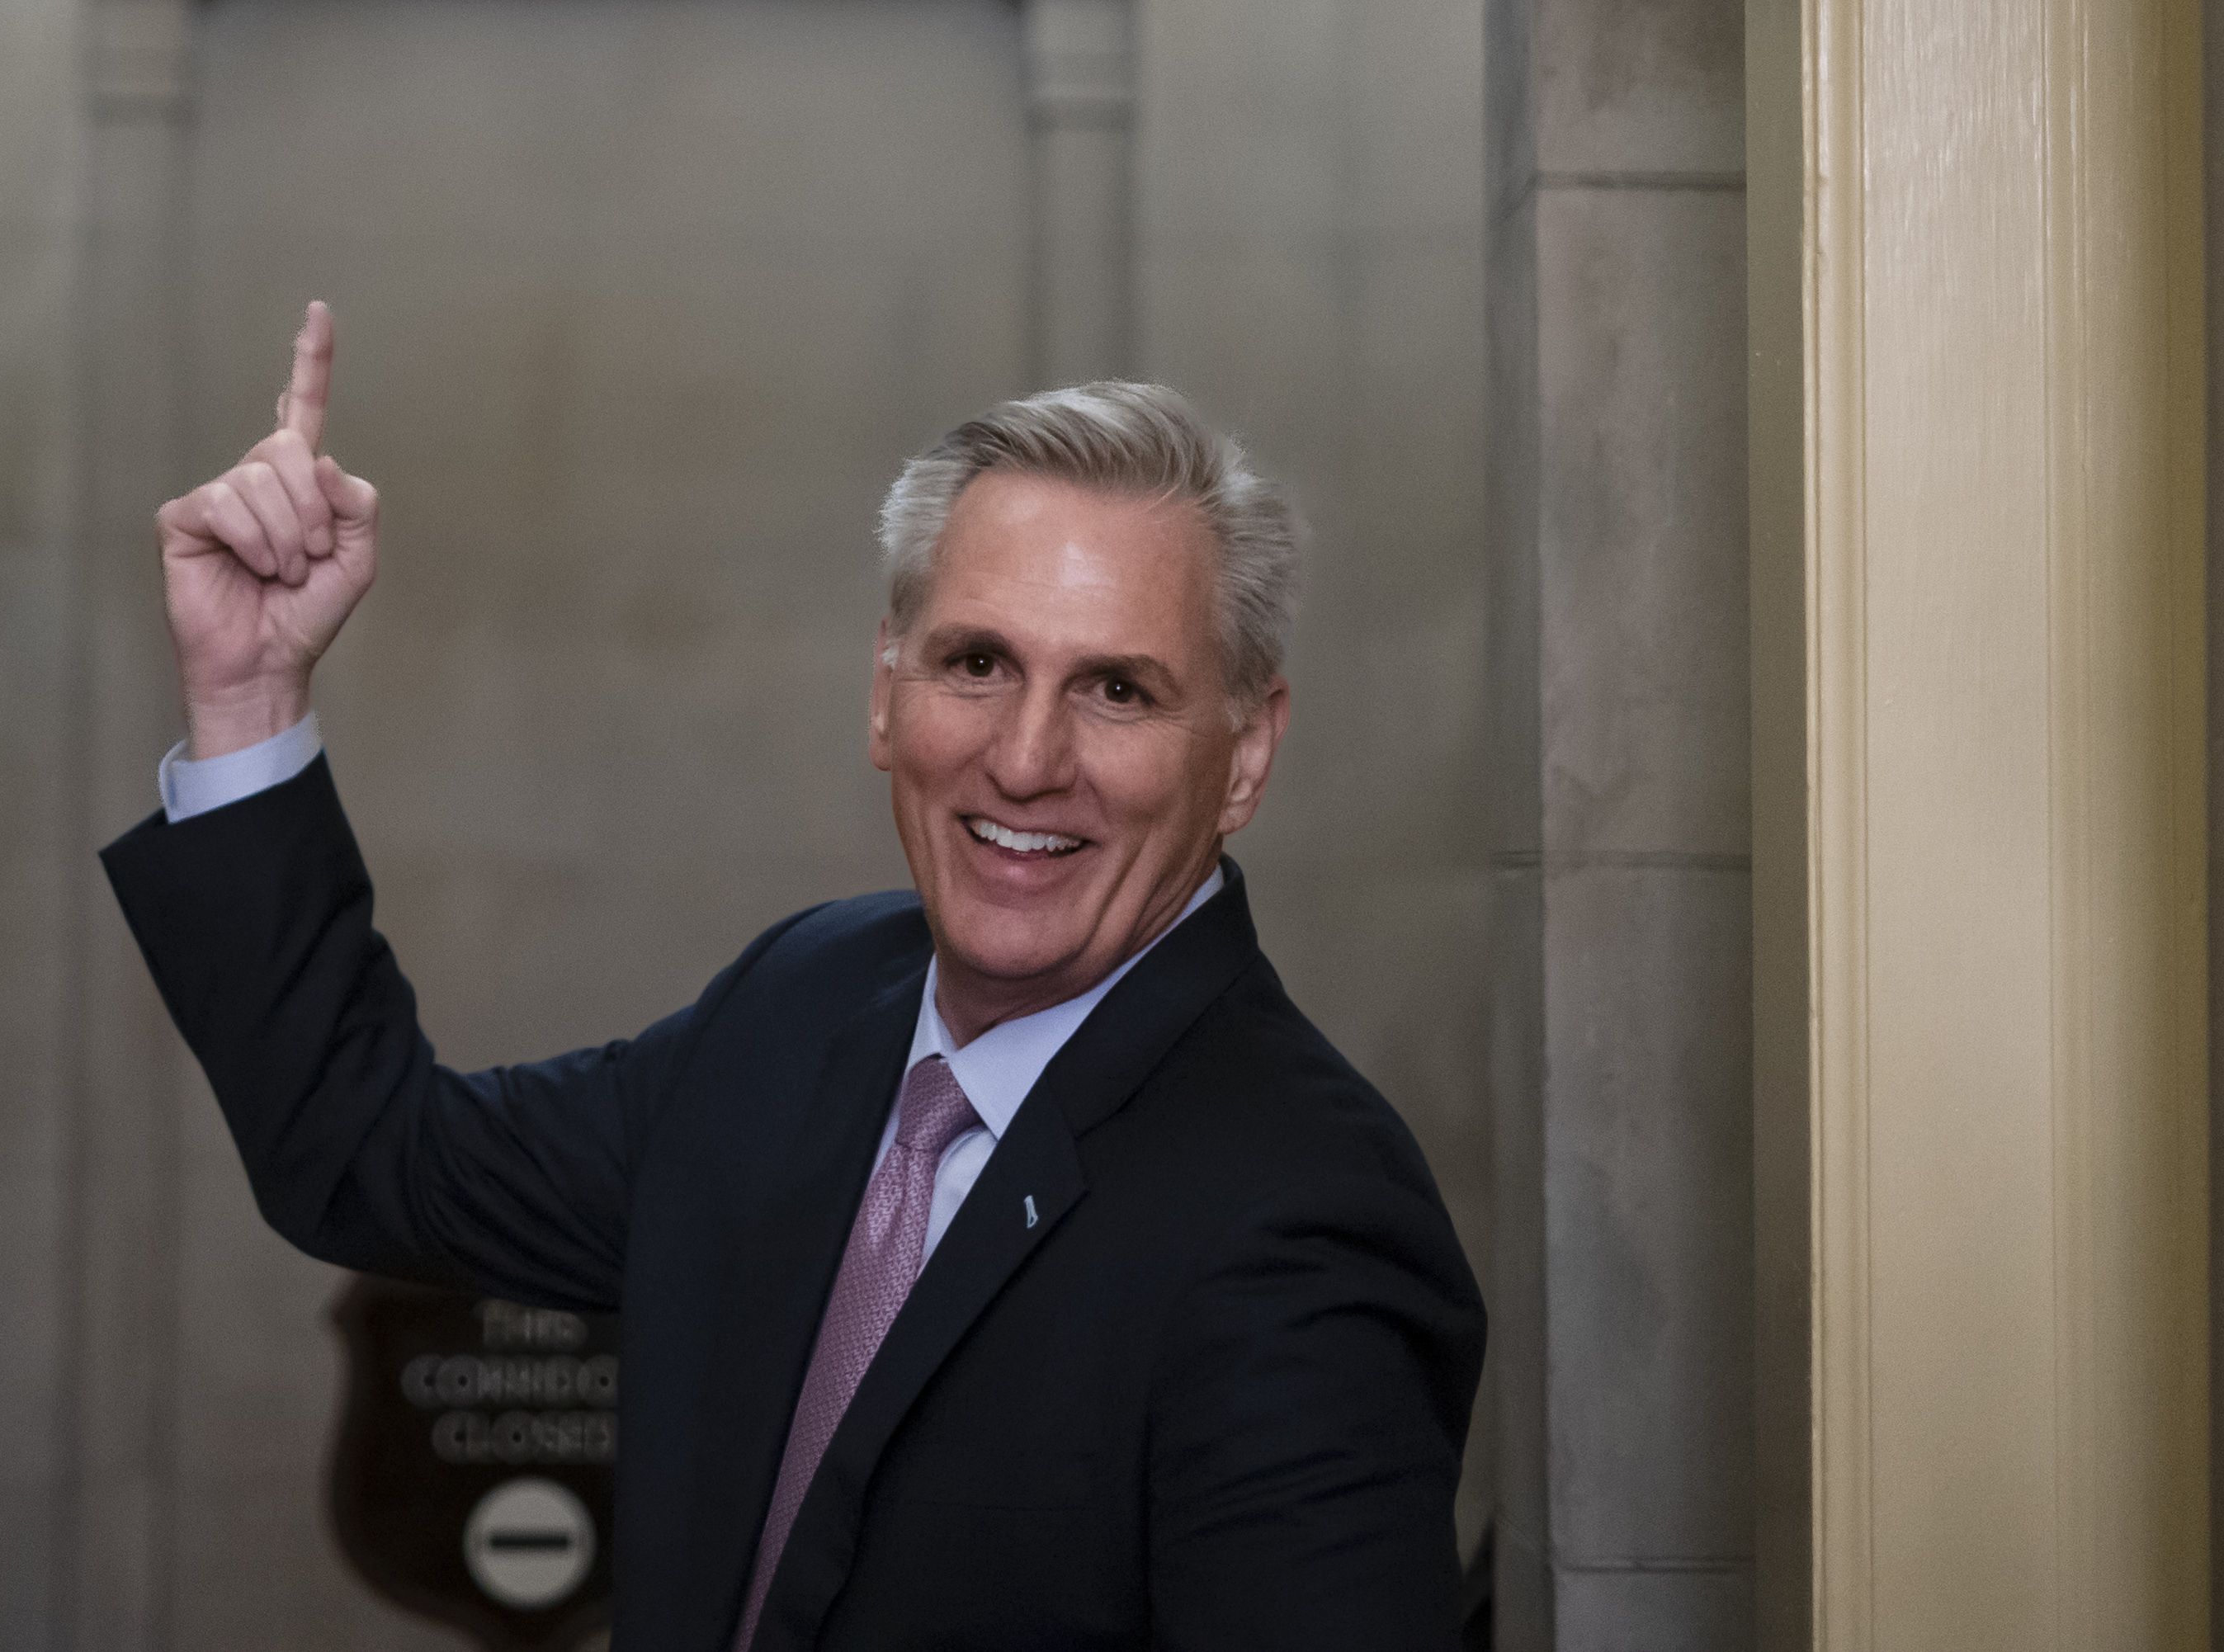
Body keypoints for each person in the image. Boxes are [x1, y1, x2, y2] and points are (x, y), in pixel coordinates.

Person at [103, 304, 1482, 1652]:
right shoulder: (805, 1003)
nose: (1022, 758)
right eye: (976, 662)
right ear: (885, 692)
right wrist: (245, 699)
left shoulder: (1302, 1219)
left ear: (1244, 752)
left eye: (1116, 690)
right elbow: (369, 1156)